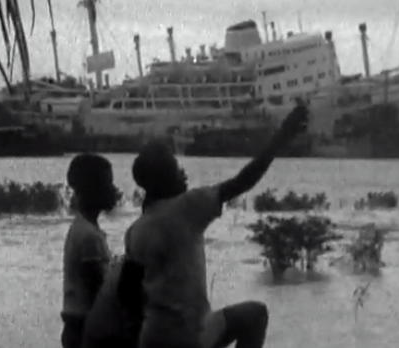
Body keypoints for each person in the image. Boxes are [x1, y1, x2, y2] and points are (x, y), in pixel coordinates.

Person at [118, 102, 310, 348]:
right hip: (191, 335)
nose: (183, 175)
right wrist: (281, 137)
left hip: (152, 336)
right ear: (164, 179)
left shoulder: (137, 230)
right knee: (255, 315)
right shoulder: (187, 207)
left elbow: (126, 291)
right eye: (177, 170)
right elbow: (243, 181)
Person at [61, 153, 121, 348]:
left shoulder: (82, 228)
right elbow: (98, 294)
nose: (114, 190)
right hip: (85, 330)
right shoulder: (89, 237)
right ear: (93, 190)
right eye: (108, 184)